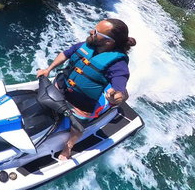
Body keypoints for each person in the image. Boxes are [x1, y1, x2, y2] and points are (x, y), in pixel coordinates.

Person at [36, 19, 136, 160]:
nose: (91, 32)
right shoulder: (86, 45)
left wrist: (116, 96)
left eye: (96, 32)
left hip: (81, 102)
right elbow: (66, 54)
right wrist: (47, 70)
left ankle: (69, 146)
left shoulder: (118, 65)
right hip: (62, 85)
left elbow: (120, 90)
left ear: (108, 42)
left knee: (77, 126)